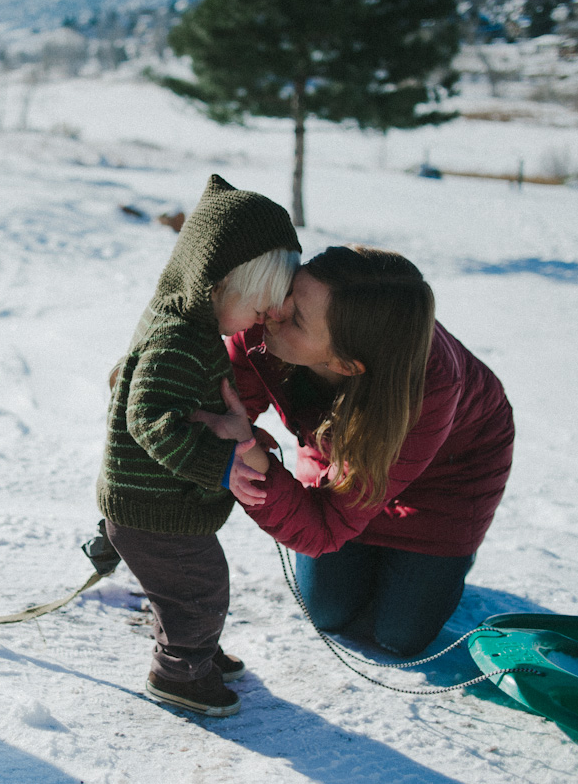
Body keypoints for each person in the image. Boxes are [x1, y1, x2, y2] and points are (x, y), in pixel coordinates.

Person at [193, 244, 514, 657]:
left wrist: (251, 456)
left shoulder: (429, 390)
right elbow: (224, 404)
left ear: (346, 364)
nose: (273, 312)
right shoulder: (270, 320)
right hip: (335, 448)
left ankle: (443, 563)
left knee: (399, 637)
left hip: (448, 473)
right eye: (289, 291)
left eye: (296, 318)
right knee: (327, 612)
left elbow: (324, 527)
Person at [96, 174, 300, 717]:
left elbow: (187, 407)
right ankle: (180, 672)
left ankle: (192, 651)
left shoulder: (188, 327)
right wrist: (223, 463)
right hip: (153, 509)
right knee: (200, 590)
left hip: (153, 504)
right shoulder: (178, 339)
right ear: (220, 283)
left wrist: (239, 437)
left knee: (179, 589)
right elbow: (147, 418)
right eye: (259, 309)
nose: (263, 322)